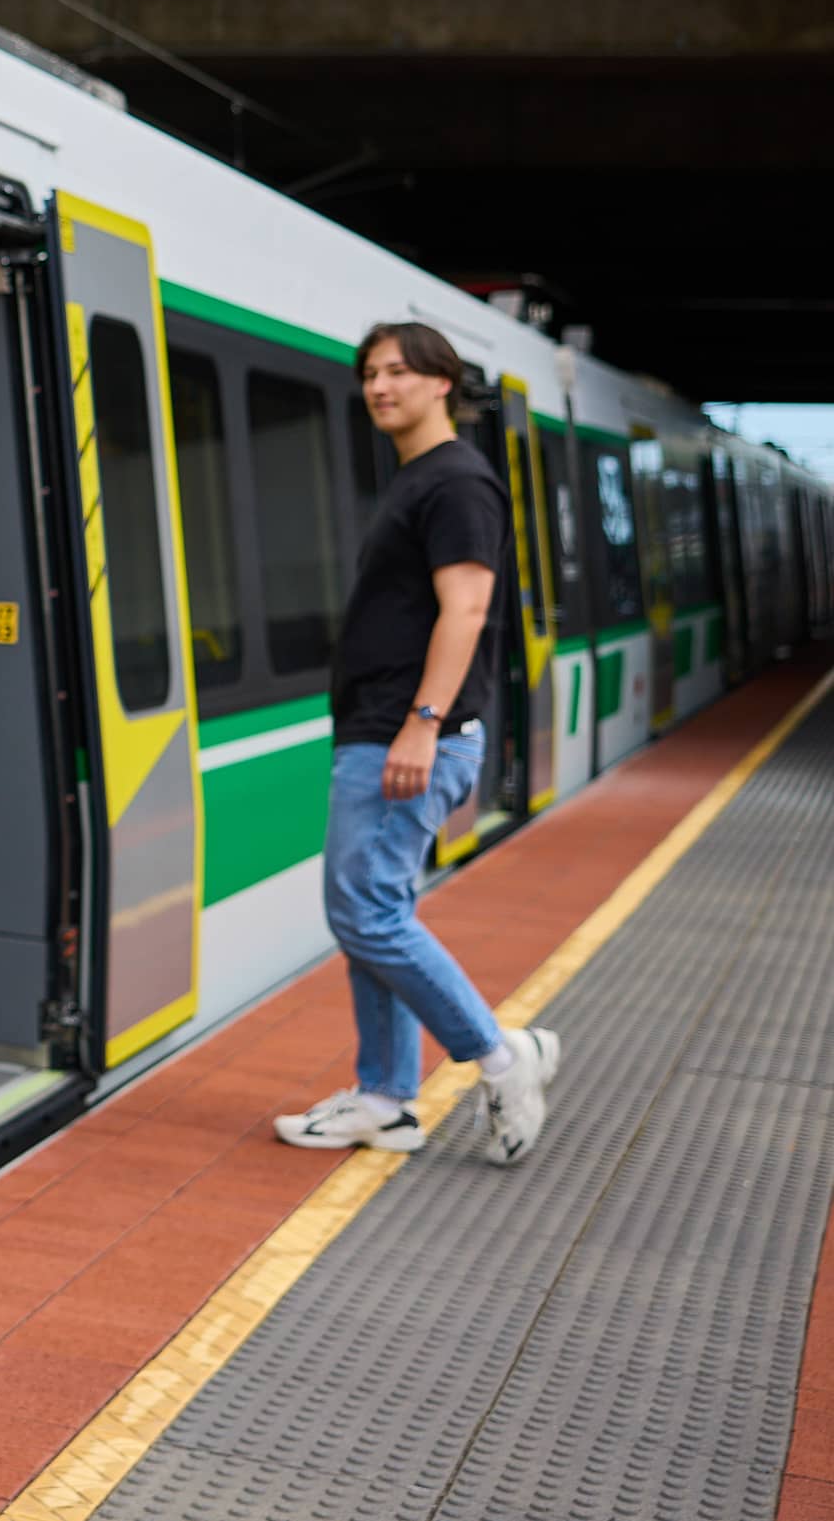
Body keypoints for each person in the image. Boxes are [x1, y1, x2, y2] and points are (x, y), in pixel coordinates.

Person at [276, 323, 563, 1165]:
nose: (379, 385)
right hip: (384, 727)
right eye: (370, 372)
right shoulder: (421, 480)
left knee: (363, 909)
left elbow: (466, 610)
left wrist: (421, 723)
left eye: (399, 370)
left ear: (444, 382)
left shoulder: (458, 485)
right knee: (374, 913)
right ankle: (386, 1100)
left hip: (408, 733)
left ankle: (503, 1058)